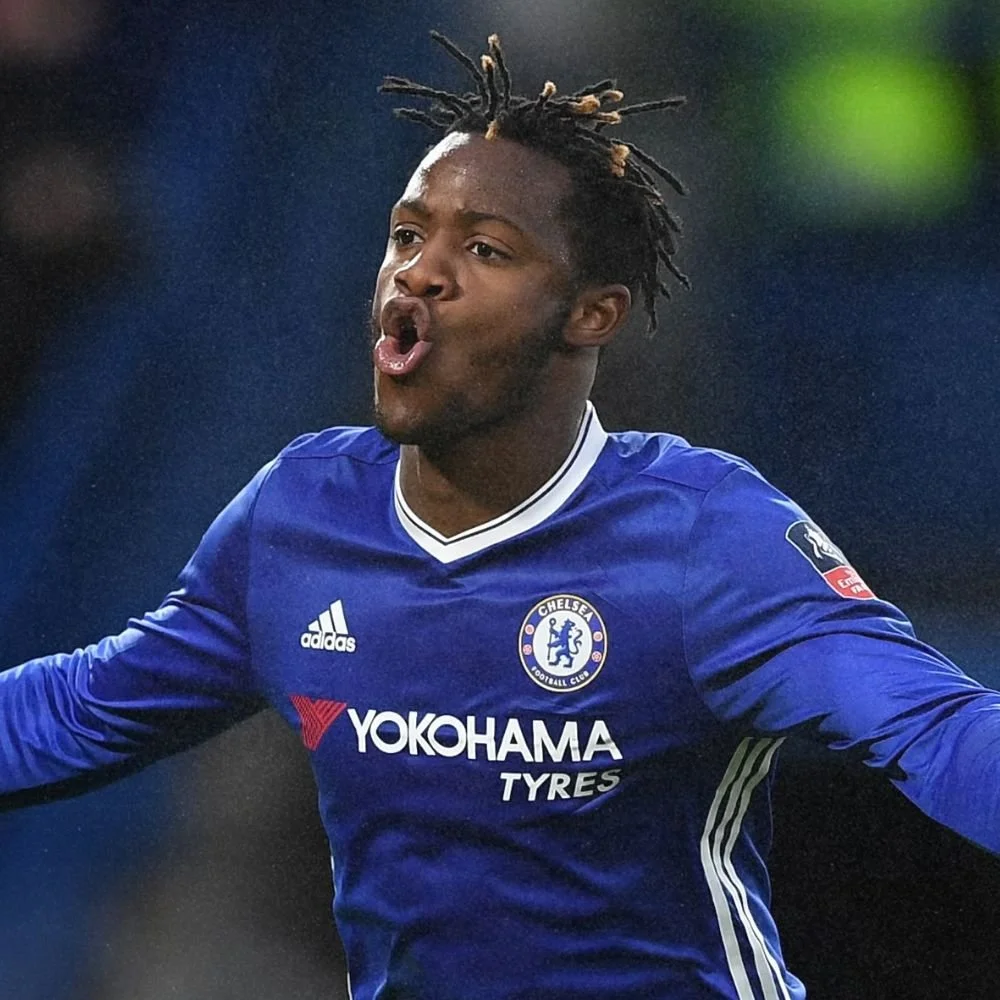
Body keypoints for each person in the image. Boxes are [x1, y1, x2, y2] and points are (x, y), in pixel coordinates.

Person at [1, 30, 998, 1000]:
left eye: (482, 247)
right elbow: (84, 707)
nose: (418, 273)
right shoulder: (301, 516)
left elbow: (935, 732)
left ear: (588, 313)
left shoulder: (705, 534)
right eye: (406, 234)